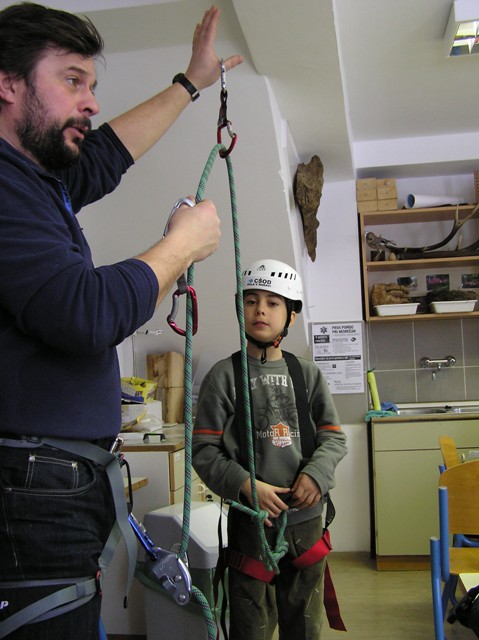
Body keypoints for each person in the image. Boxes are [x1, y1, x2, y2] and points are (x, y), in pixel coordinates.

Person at [0, 2, 242, 638]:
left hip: (49, 484)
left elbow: (105, 154)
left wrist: (190, 83)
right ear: (8, 82)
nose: (91, 102)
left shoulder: (34, 180)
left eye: (91, 84)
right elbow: (85, 312)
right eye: (72, 80)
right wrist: (180, 247)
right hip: (30, 490)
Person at [192, 259, 348, 640]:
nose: (260, 310)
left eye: (273, 302)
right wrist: (245, 485)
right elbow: (204, 450)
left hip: (306, 523)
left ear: (290, 315)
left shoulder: (307, 375)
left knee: (305, 626)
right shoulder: (224, 377)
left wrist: (316, 474)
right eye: (251, 301)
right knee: (251, 627)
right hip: (251, 525)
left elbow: (333, 437)